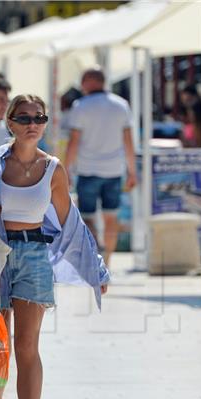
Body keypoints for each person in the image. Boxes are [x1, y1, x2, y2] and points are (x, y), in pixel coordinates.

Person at [0, 94, 109, 399]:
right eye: (25, 117)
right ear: (10, 124)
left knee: (27, 346)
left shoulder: (53, 169)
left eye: (39, 118)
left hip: (33, 255)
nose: (33, 124)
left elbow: (69, 223)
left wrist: (96, 267)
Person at [65, 67, 137, 266]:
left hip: (88, 170)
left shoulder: (80, 106)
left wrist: (66, 169)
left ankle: (96, 250)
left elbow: (74, 141)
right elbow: (128, 142)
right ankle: (108, 261)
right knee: (111, 217)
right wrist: (132, 171)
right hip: (114, 170)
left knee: (87, 217)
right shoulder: (121, 105)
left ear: (90, 82)